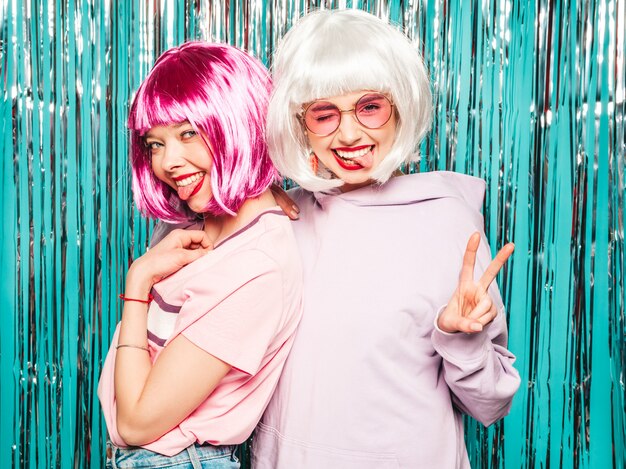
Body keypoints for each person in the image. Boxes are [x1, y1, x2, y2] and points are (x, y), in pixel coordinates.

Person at [251, 9, 521, 469]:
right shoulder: (277, 217)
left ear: (400, 106)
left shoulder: (447, 221)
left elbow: (491, 405)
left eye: (369, 106)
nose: (350, 133)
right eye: (324, 113)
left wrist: (462, 338)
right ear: (300, 124)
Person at [97, 41, 302, 469]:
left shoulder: (254, 265)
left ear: (238, 123)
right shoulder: (189, 221)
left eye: (188, 132)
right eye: (154, 144)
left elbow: (137, 422)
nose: (169, 162)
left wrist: (138, 284)